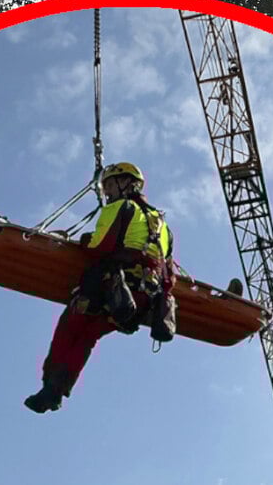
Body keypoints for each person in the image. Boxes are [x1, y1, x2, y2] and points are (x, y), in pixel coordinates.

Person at [24, 162, 178, 413]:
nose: (106, 192)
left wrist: (82, 241)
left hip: (113, 287)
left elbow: (100, 246)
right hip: (140, 300)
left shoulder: (121, 207)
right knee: (88, 336)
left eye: (109, 185)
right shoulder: (164, 228)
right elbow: (169, 274)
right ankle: (56, 390)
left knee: (70, 329)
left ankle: (51, 389)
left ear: (127, 183)